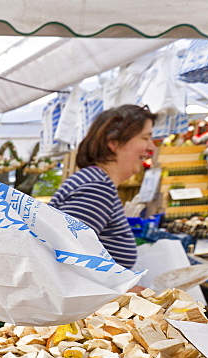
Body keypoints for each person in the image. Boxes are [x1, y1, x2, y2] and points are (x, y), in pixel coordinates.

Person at [49, 104, 157, 270]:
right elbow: (64, 262)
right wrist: (125, 290)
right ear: (114, 143)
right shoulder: (97, 188)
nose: (152, 147)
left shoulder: (96, 182)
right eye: (145, 138)